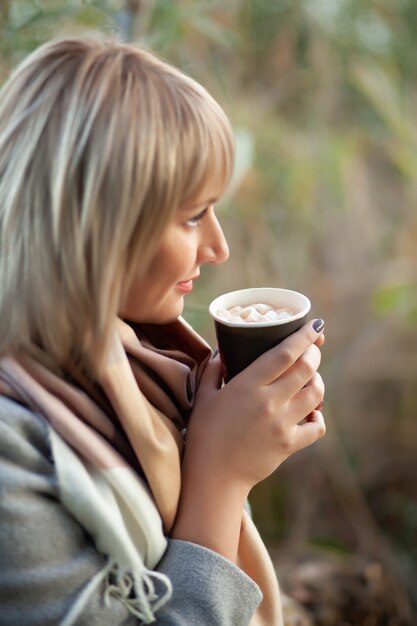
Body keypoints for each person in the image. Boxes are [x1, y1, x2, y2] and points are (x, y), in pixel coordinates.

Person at [0, 38, 326, 626]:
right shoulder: (14, 448)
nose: (219, 247)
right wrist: (221, 478)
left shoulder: (136, 358)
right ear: (93, 222)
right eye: (193, 215)